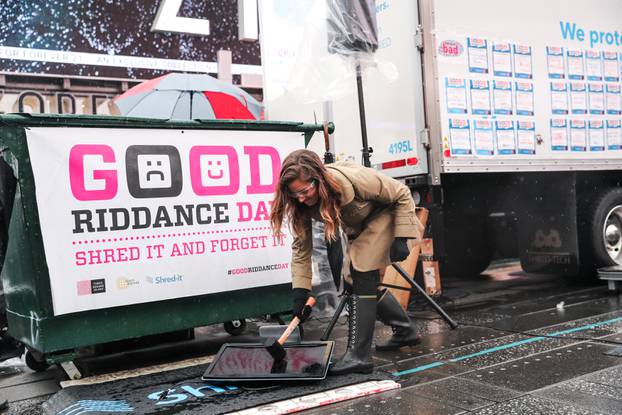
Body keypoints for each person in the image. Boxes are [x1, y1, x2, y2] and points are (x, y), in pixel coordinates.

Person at [270, 149, 423, 375]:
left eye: (304, 191)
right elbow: (301, 249)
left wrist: (402, 236)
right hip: (361, 226)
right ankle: (405, 331)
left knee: (361, 273)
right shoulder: (302, 203)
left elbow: (401, 192)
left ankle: (359, 356)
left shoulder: (351, 181)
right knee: (352, 281)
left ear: (318, 179)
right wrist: (300, 293)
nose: (300, 198)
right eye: (295, 194)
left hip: (387, 215)